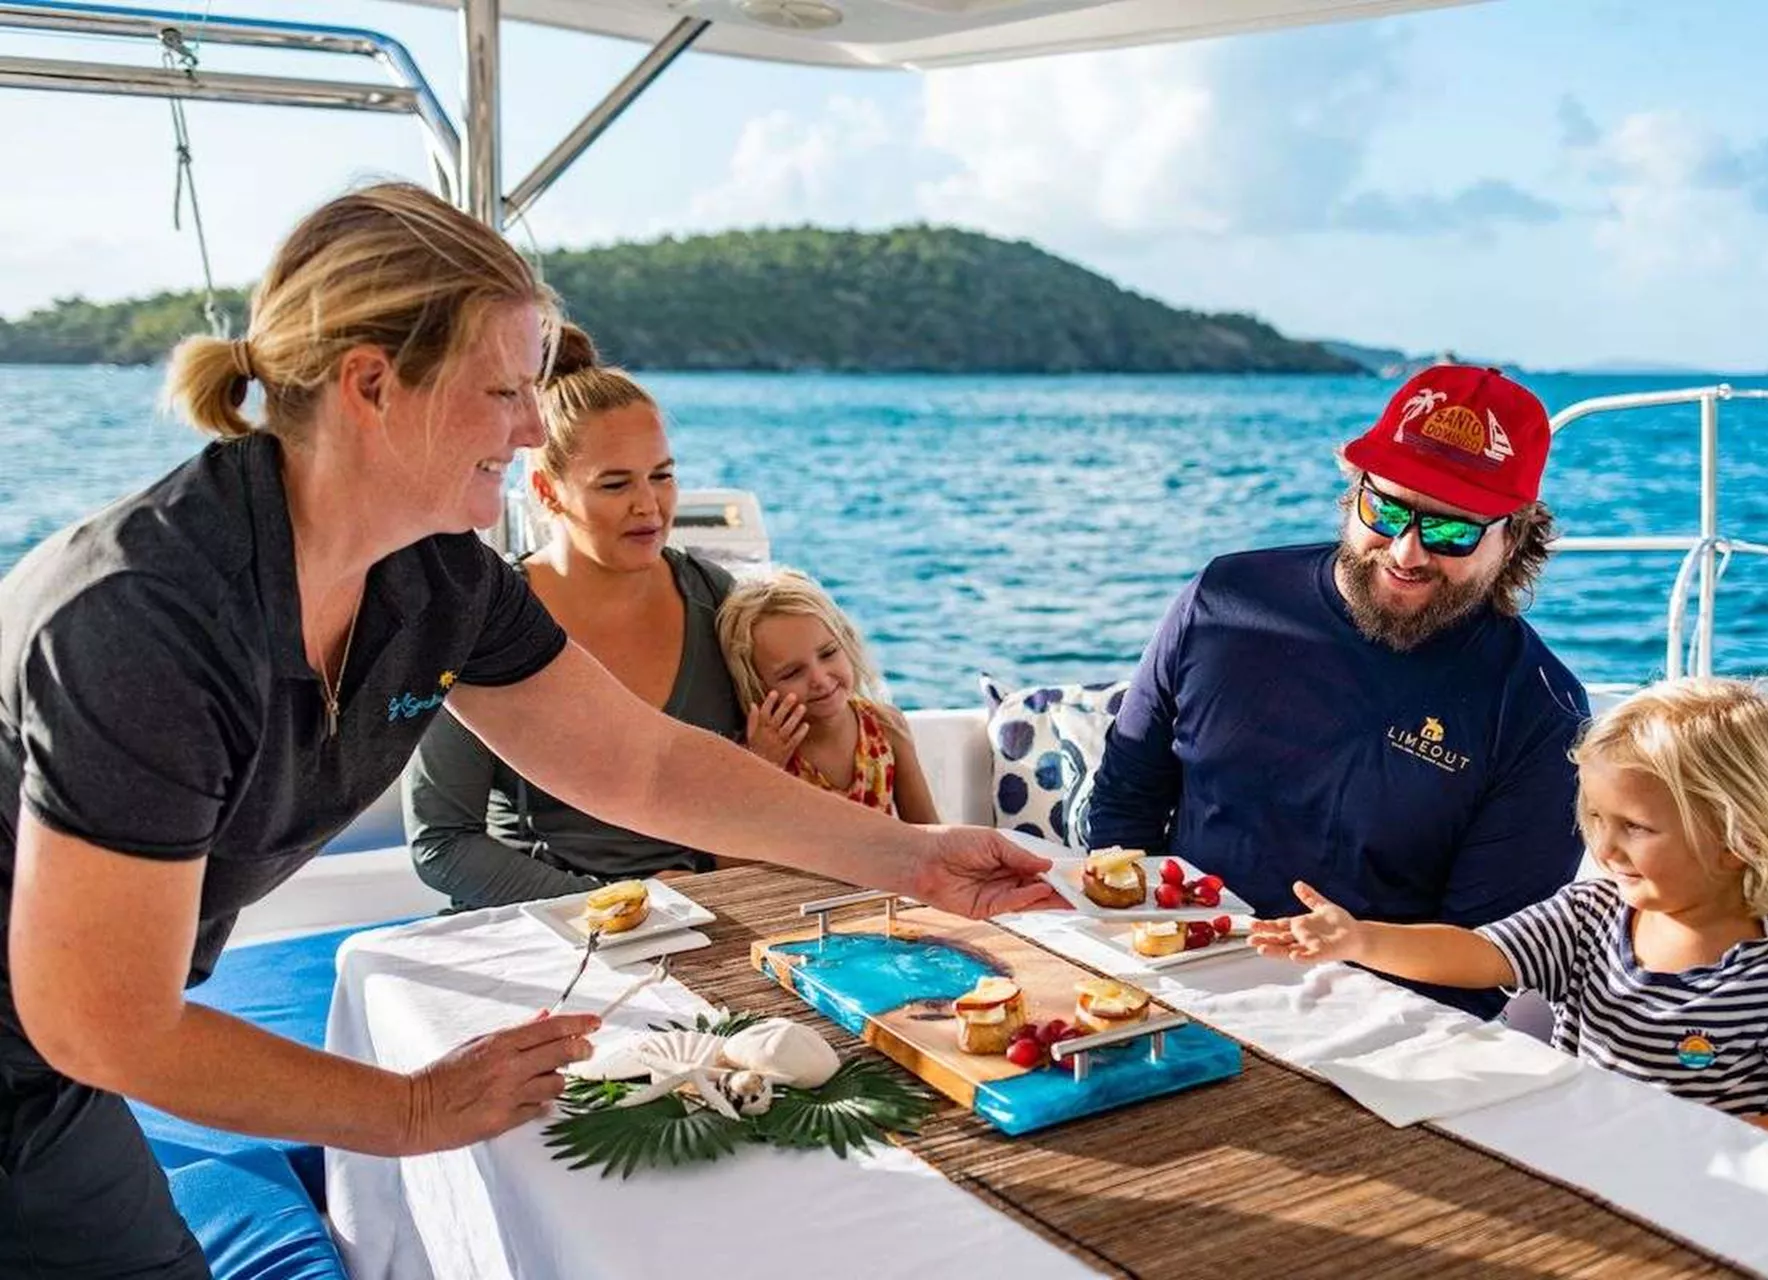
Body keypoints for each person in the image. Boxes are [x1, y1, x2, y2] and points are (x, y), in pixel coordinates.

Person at [0, 182, 1054, 1277]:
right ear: (372, 384)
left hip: (56, 1065)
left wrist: (914, 857)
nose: (528, 428)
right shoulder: (142, 620)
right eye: (504, 390)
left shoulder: (438, 578)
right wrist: (411, 1110)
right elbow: (103, 1020)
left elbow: (643, 762)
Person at [1087, 366, 1588, 1017]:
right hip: (1170, 976)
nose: (1407, 552)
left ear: (1513, 536)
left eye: (1450, 531)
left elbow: (1484, 960)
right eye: (1386, 510)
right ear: (1354, 491)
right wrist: (1138, 958)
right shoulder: (1224, 599)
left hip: (1369, 1027)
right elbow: (1126, 802)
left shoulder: (1541, 714)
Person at [1252, 677, 1768, 1155]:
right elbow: (1476, 954)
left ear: (1738, 840)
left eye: (1635, 827)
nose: (1604, 848)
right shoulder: (1588, 916)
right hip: (1581, 1157)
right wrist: (1361, 940)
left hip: (1700, 1190)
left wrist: (1726, 1138)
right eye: (1597, 818)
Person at [404, 324, 745, 908]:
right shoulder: (484, 618)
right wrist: (624, 903)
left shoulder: (716, 598)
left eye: (662, 476)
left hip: (701, 914)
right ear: (546, 490)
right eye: (615, 484)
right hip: (543, 923)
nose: (649, 505)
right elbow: (442, 844)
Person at [718, 569, 939, 823]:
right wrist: (763, 766)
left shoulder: (886, 726)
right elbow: (733, 847)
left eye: (828, 653)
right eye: (792, 673)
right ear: (757, 685)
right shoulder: (758, 753)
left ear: (846, 640)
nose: (821, 680)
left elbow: (928, 828)